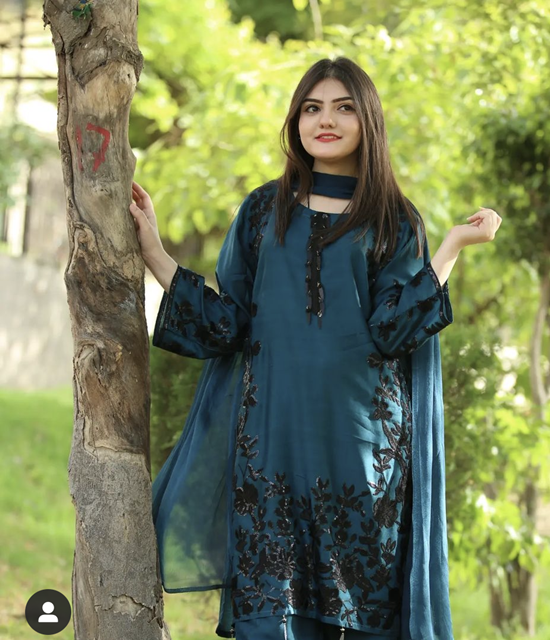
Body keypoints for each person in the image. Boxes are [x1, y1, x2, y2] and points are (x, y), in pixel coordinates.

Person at [129, 57, 501, 640]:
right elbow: (228, 325)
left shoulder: (394, 220)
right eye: (312, 108)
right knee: (269, 617)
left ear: (368, 121)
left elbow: (394, 331)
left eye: (343, 108)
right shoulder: (263, 210)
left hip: (362, 454)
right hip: (271, 447)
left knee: (358, 619)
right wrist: (155, 253)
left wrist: (451, 246)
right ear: (296, 121)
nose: (325, 120)